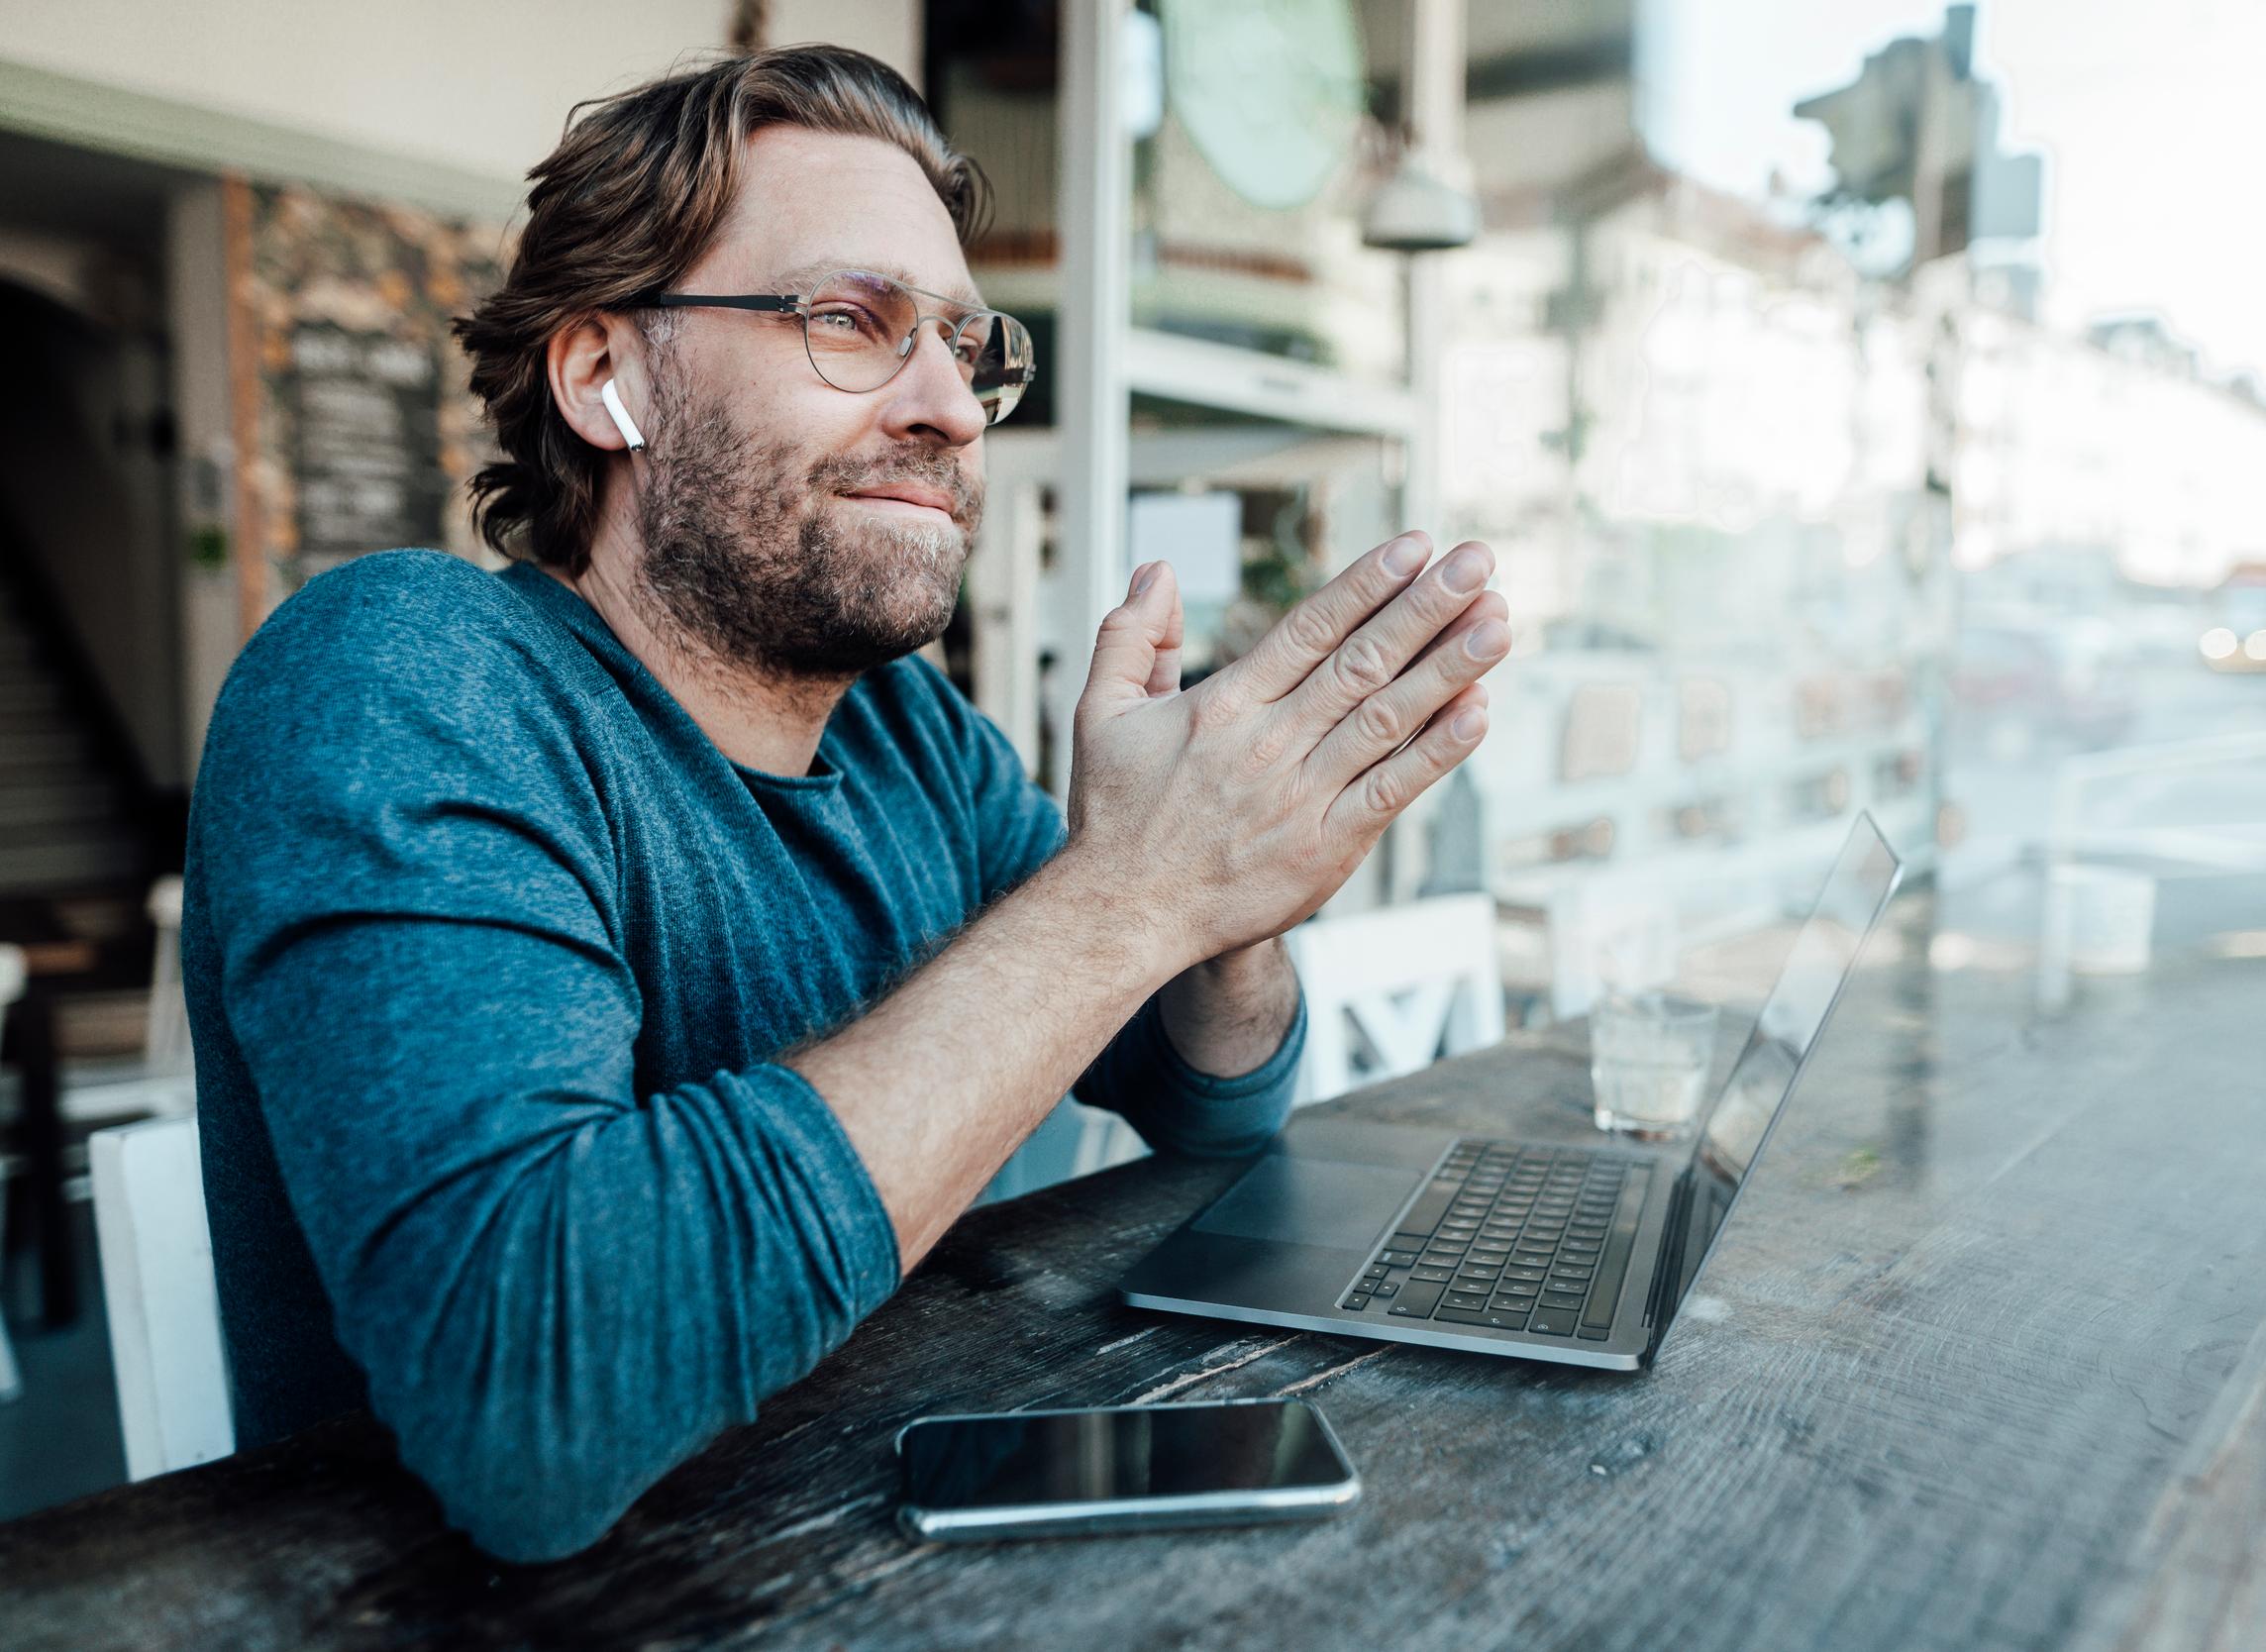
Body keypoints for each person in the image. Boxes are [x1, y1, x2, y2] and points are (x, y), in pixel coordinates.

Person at [184, 44, 1510, 1563]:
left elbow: (1205, 1096)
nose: (954, 405)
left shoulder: (908, 735)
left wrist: (1231, 910)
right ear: (605, 376)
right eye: (852, 321)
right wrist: (1137, 887)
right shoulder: (407, 677)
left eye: (965, 343)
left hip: (891, 1549)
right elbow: (531, 1396)